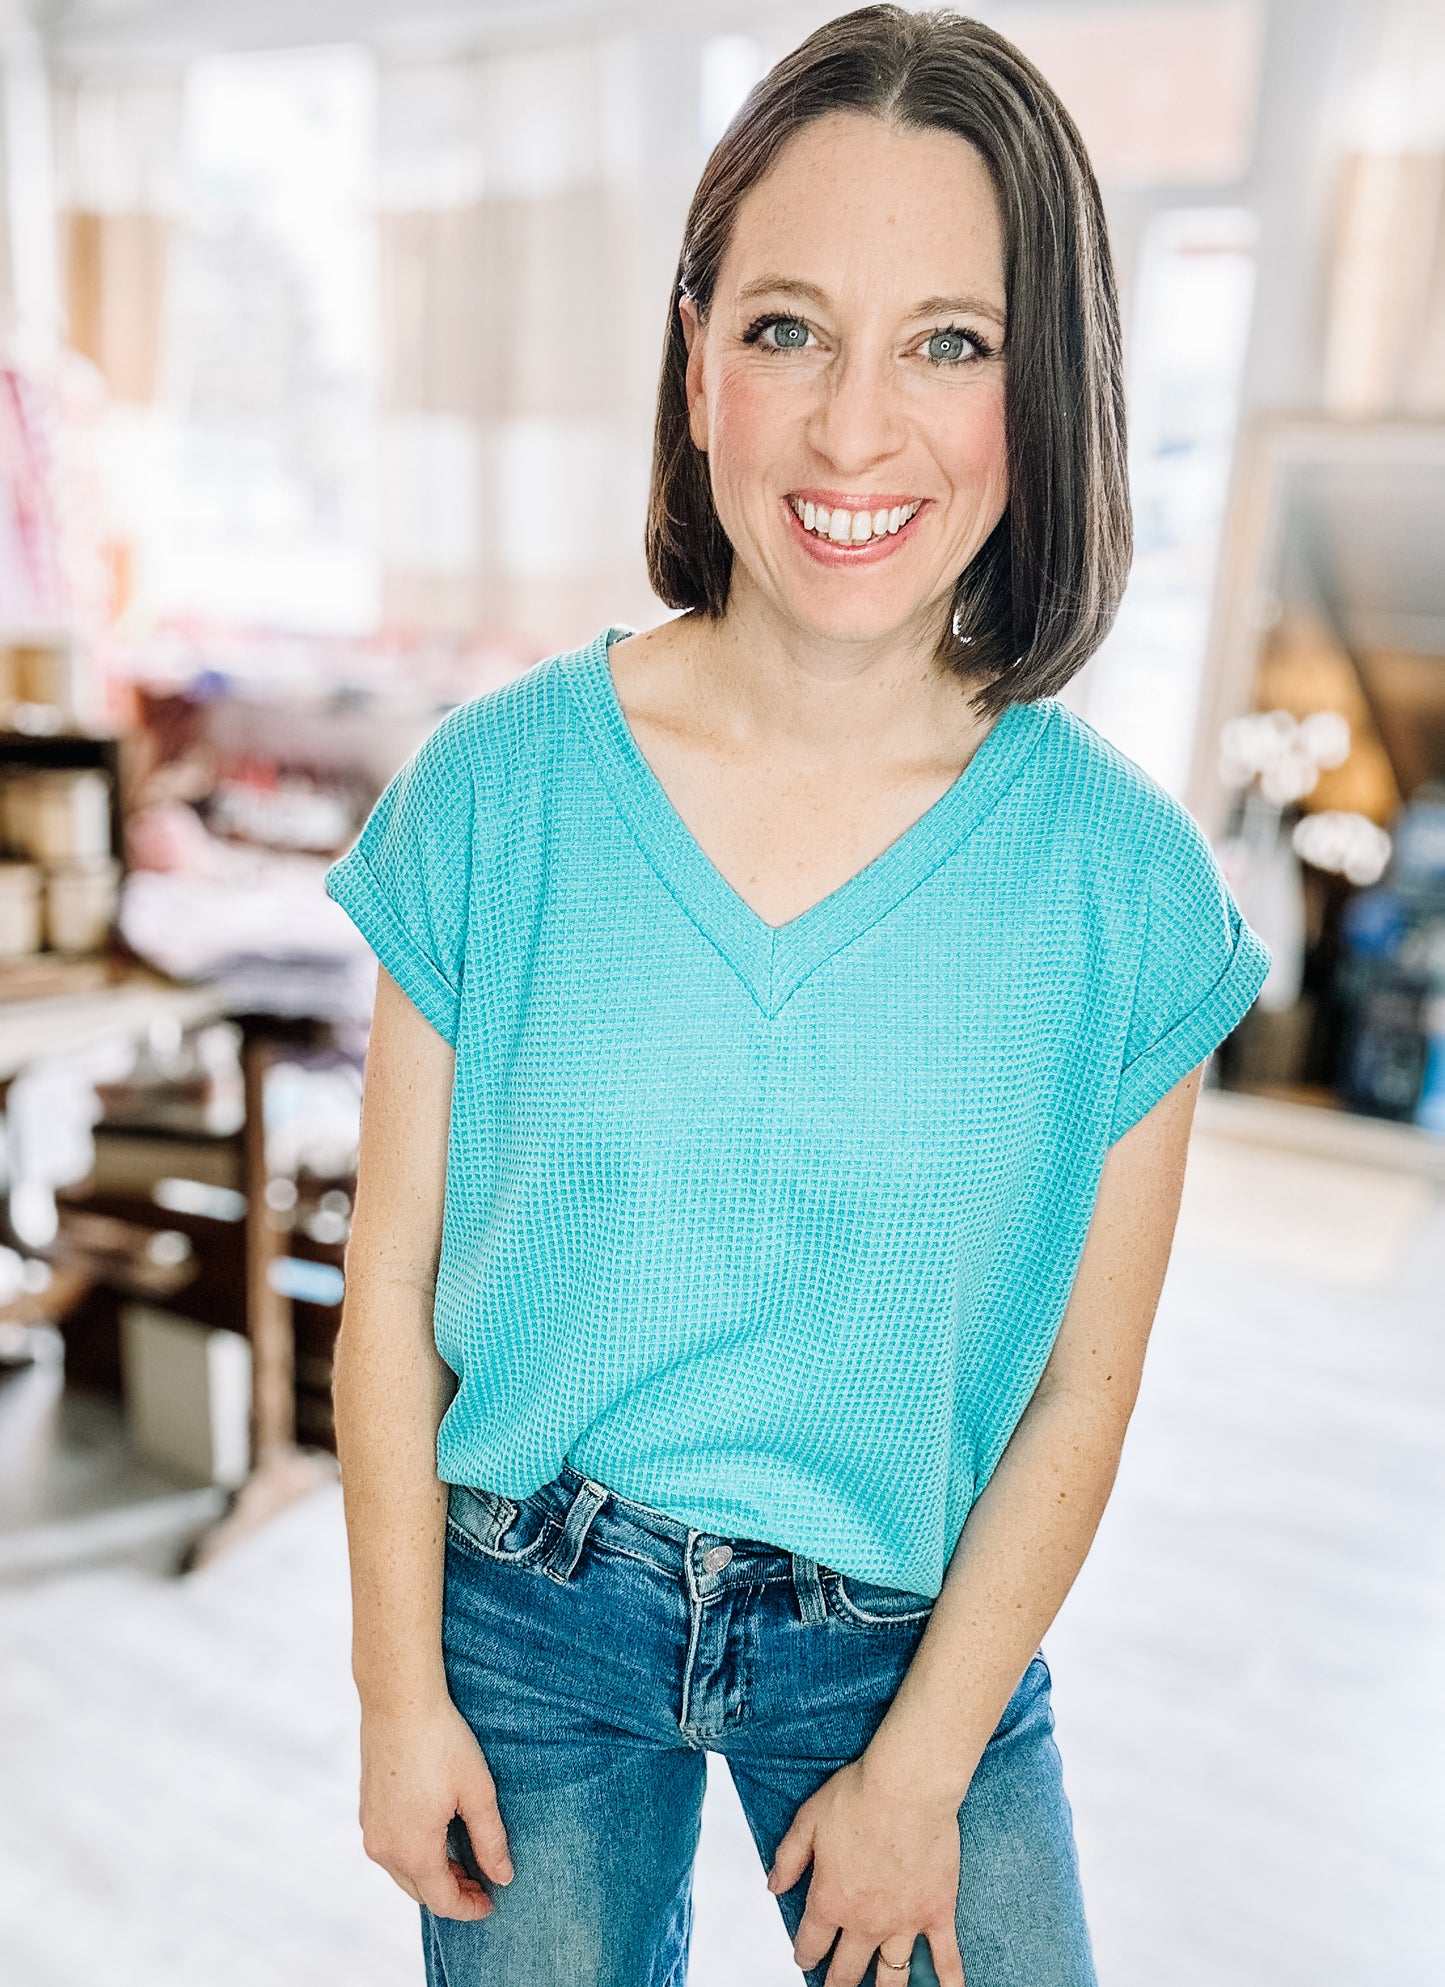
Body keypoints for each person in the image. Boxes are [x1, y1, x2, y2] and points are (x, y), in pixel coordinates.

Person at [324, 8, 1271, 1985]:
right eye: (784, 330)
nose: (854, 430)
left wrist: (923, 1773)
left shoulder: (1124, 889)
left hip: (915, 1644)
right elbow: (392, 1291)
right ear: (693, 364)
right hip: (525, 1611)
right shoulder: (495, 793)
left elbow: (1084, 1395)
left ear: (1053, 391)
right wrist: (397, 1692)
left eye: (950, 339)